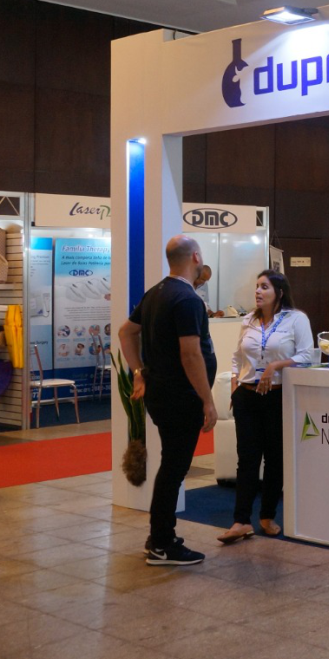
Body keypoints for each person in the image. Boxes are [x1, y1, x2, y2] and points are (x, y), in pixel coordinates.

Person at [116, 235, 218, 566]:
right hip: (180, 398)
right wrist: (207, 400)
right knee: (174, 468)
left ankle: (160, 537)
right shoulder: (186, 299)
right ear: (196, 257)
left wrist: (138, 372)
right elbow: (191, 354)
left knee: (172, 466)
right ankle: (161, 543)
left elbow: (125, 332)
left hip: (161, 394)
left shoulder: (157, 292)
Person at [218, 270, 313, 544]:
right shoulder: (248, 319)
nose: (258, 291)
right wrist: (235, 386)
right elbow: (237, 357)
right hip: (247, 397)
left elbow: (307, 355)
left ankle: (267, 516)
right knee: (247, 460)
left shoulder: (296, 319)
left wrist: (276, 366)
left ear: (279, 292)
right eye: (257, 286)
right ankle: (240, 521)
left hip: (277, 397)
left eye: (265, 287)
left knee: (274, 460)